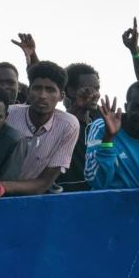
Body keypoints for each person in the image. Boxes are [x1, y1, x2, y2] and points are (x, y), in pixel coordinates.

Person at [1, 61, 79, 198]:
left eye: (50, 90)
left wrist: (2, 187)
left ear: (61, 96)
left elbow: (43, 183)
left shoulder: (69, 126)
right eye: (37, 88)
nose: (43, 95)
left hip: (31, 197)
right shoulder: (8, 115)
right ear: (28, 91)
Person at [58, 63, 102, 192]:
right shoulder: (57, 123)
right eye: (89, 89)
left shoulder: (103, 124)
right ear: (71, 91)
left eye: (97, 88)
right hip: (64, 198)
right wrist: (77, 107)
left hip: (98, 197)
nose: (95, 94)